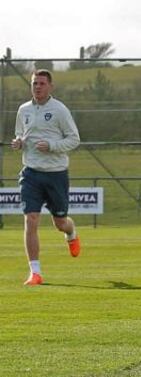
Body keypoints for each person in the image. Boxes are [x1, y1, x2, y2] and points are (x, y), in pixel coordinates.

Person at [11, 70, 82, 286]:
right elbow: (21, 135)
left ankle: (71, 232)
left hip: (56, 174)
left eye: (42, 83)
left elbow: (74, 139)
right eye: (34, 83)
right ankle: (35, 272)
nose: (37, 87)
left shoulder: (60, 110)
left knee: (60, 222)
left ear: (50, 86)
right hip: (30, 173)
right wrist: (19, 143)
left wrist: (52, 146)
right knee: (30, 219)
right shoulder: (23, 110)